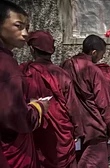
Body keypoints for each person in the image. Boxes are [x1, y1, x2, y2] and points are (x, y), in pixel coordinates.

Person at [20, 30, 83, 168]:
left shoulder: (24, 73)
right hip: (60, 135)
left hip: (37, 128)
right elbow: (73, 106)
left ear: (32, 49)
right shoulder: (62, 74)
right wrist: (78, 130)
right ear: (52, 51)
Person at [0, 1, 49, 168]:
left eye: (26, 27)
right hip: (11, 146)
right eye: (18, 26)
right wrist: (39, 107)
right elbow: (18, 117)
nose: (25, 33)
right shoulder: (7, 66)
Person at [61, 34, 110, 168]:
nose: (101, 58)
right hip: (93, 125)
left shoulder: (67, 64)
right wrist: (109, 127)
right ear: (94, 52)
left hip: (72, 122)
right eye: (102, 54)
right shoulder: (93, 70)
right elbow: (103, 103)